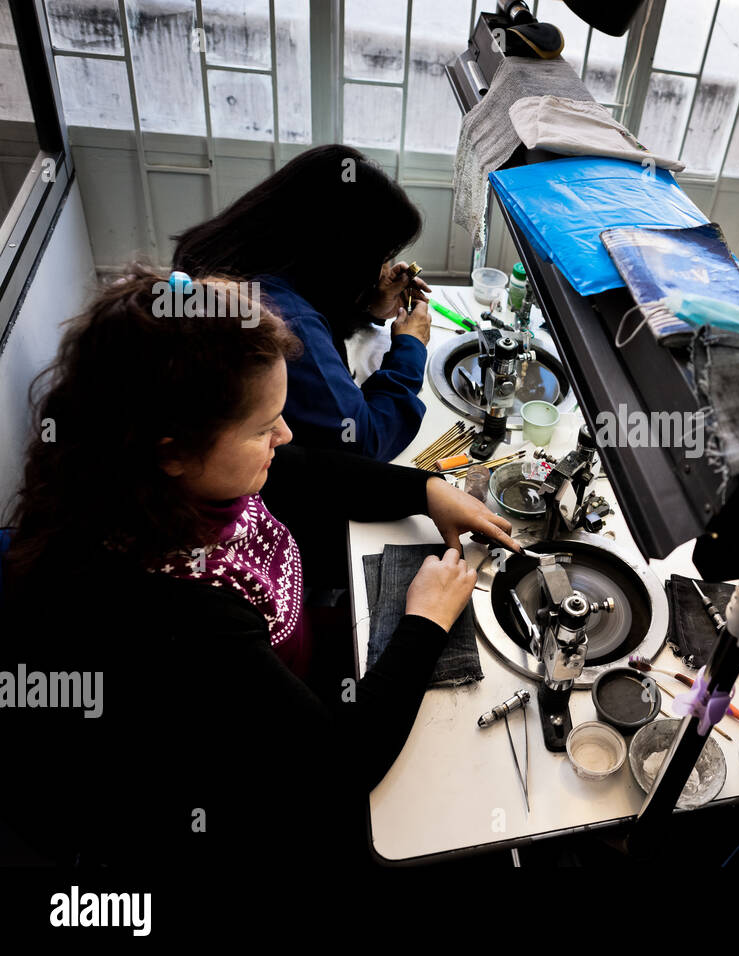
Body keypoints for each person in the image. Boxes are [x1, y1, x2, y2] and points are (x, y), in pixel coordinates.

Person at [0, 272, 517, 868]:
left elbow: (307, 468)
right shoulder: (172, 608)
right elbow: (339, 768)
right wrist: (425, 621)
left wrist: (426, 489)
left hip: (274, 683)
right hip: (234, 803)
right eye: (262, 427)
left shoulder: (158, 482)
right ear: (172, 451)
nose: (285, 433)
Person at [172, 144, 433, 462]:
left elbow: (314, 299)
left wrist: (367, 305)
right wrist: (410, 347)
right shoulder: (284, 321)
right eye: (380, 257)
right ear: (338, 254)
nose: (383, 269)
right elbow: (362, 441)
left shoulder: (228, 252)